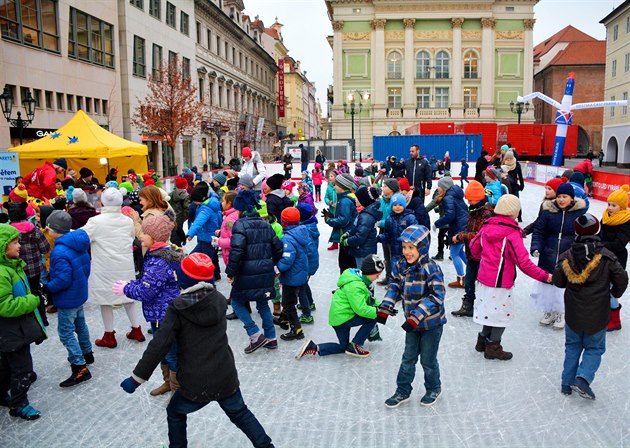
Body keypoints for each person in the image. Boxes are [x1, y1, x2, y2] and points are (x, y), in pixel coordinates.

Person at [120, 253, 275, 448]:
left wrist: (137, 378)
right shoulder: (219, 299)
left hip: (195, 382)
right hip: (224, 375)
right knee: (241, 413)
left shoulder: (177, 309)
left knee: (175, 412)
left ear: (183, 279)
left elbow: (159, 344)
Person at [553, 213, 628, 400]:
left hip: (573, 313)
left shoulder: (566, 256)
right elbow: (622, 277)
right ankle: (583, 378)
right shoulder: (607, 257)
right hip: (597, 313)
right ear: (598, 231)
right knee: (594, 348)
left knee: (572, 346)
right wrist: (615, 293)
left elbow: (558, 280)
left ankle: (566, 383)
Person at [470, 195, 552, 360]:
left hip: (485, 280)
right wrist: (545, 276)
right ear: (515, 213)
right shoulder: (511, 234)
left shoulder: (486, 226)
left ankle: (482, 340)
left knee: (489, 312)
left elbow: (473, 249)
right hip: (500, 283)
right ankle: (493, 346)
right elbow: (524, 263)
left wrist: (486, 259)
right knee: (500, 315)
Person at [114, 215, 184, 396]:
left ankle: (177, 391)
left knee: (170, 352)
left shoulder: (158, 261)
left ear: (155, 237)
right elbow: (148, 283)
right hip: (160, 312)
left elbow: (147, 291)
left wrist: (126, 288)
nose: (141, 236)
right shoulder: (157, 256)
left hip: (163, 314)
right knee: (164, 350)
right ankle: (168, 383)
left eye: (145, 233)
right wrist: (132, 284)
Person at [378, 225, 445, 408]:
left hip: (431, 324)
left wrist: (417, 314)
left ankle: (434, 388)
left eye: (411, 248)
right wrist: (386, 305)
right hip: (412, 324)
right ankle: (402, 391)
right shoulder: (400, 265)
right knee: (408, 358)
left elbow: (437, 296)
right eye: (404, 247)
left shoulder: (431, 268)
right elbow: (395, 286)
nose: (407, 252)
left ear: (422, 248)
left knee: (428, 360)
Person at [82, 188, 144, 348]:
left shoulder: (95, 222)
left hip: (104, 266)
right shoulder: (127, 221)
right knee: (127, 295)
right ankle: (137, 329)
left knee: (105, 299)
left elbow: (82, 237)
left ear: (102, 201)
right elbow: (131, 237)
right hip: (124, 264)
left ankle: (109, 335)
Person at [226, 190, 283, 352]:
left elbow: (237, 250)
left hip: (245, 272)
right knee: (262, 303)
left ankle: (255, 334)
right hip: (265, 272)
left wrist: (231, 272)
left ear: (241, 209)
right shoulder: (266, 225)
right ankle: (271, 338)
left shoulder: (240, 225)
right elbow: (278, 248)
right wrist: (274, 264)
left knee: (236, 302)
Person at [296, 255, 384, 359]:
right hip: (344, 318)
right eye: (377, 275)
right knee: (375, 316)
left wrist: (383, 306)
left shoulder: (359, 277)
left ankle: (314, 347)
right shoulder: (356, 286)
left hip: (339, 317)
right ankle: (356, 344)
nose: (378, 278)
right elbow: (361, 310)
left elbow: (369, 298)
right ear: (369, 272)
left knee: (343, 347)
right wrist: (379, 311)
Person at [0, 224, 47, 420]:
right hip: (12, 331)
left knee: (6, 365)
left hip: (13, 330)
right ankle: (19, 404)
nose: (19, 246)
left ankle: (3, 392)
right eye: (15, 242)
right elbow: (5, 305)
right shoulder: (3, 273)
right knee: (22, 367)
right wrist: (34, 299)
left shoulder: (12, 265)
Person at [44, 211, 93, 388]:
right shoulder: (78, 244)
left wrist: (48, 287)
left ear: (54, 230)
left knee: (66, 333)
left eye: (48, 228)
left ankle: (80, 367)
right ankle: (87, 353)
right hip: (79, 293)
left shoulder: (59, 251)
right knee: (80, 325)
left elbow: (63, 279)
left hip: (67, 298)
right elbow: (86, 268)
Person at [531, 183, 586, 329]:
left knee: (563, 287)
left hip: (568, 256)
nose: (561, 200)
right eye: (559, 196)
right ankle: (549, 311)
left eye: (565, 197)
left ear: (572, 199)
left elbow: (584, 234)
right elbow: (538, 231)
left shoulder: (578, 214)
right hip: (548, 254)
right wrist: (536, 247)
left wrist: (579, 252)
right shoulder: (548, 212)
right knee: (548, 286)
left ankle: (562, 312)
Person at [450, 181, 495, 317]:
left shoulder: (486, 213)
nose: (469, 202)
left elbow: (482, 234)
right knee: (469, 281)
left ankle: (484, 306)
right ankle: (469, 305)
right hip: (472, 253)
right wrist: (460, 234)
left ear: (479, 197)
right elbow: (470, 228)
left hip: (482, 255)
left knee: (482, 283)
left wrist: (462, 237)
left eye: (471, 199)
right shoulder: (474, 210)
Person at [6, 202, 51, 326]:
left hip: (17, 272)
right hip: (35, 269)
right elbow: (45, 248)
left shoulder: (8, 232)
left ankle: (29, 324)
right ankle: (43, 320)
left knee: (21, 296)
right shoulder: (34, 229)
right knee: (36, 292)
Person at [276, 207, 312, 341]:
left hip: (292, 277)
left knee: (289, 303)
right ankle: (284, 319)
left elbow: (287, 260)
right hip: (301, 273)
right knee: (288, 299)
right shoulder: (302, 232)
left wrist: (276, 269)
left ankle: (297, 329)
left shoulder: (288, 239)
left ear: (283, 222)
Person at [600, 184, 630, 331]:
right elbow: (599, 234)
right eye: (609, 204)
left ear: (622, 207)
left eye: (613, 205)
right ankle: (605, 315)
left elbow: (619, 244)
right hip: (603, 257)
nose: (610, 207)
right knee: (603, 287)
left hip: (617, 259)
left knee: (611, 289)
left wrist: (600, 245)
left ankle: (615, 320)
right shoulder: (605, 217)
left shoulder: (626, 221)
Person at [433, 176, 468, 288]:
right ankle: (476, 271)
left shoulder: (448, 197)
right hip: (464, 224)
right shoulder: (455, 194)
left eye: (439, 186)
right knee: (460, 251)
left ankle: (461, 280)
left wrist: (437, 223)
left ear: (444, 187)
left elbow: (450, 215)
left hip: (459, 227)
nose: (438, 188)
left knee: (454, 253)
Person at [186, 183, 223, 281]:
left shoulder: (205, 209)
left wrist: (190, 234)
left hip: (208, 239)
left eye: (194, 201)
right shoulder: (211, 204)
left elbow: (198, 222)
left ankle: (210, 280)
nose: (194, 203)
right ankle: (216, 276)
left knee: (205, 261)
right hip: (208, 238)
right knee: (211, 258)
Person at [325, 173, 358, 273]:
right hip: (347, 235)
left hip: (346, 235)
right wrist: (333, 216)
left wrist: (329, 221)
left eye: (336, 185)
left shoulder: (345, 201)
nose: (334, 187)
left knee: (345, 264)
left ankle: (347, 286)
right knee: (346, 263)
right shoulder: (346, 198)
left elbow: (343, 220)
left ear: (342, 187)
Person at [343, 187, 382, 269]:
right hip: (362, 250)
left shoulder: (366, 217)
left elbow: (360, 237)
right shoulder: (364, 213)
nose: (355, 200)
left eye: (357, 198)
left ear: (363, 200)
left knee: (362, 274)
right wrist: (348, 233)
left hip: (363, 251)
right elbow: (357, 227)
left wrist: (347, 241)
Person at [378, 193, 418, 271]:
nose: (397, 207)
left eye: (400, 205)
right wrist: (379, 238)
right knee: (395, 271)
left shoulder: (410, 218)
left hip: (407, 252)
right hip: (394, 253)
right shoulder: (389, 219)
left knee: (408, 272)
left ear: (404, 205)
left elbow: (416, 234)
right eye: (395, 205)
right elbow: (387, 234)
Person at [296, 203, 320, 324]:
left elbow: (309, 249)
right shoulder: (311, 225)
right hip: (310, 262)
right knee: (304, 285)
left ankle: (307, 315)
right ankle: (310, 303)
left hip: (306, 263)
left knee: (301, 288)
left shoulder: (305, 229)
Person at [377, 179, 399, 285]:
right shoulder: (383, 199)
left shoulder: (395, 201)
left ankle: (394, 279)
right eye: (383, 186)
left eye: (386, 186)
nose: (383, 188)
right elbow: (380, 212)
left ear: (392, 189)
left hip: (392, 230)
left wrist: (380, 223)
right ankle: (388, 275)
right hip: (383, 230)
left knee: (393, 255)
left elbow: (394, 218)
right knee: (386, 255)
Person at [216, 191, 239, 266]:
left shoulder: (230, 218)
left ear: (229, 203)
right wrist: (221, 232)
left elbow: (234, 240)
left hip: (232, 256)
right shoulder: (236, 214)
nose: (222, 203)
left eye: (223, 201)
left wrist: (218, 241)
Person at [170, 178, 191, 246]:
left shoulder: (171, 194)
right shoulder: (186, 196)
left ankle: (177, 243)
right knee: (179, 230)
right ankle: (181, 242)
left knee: (175, 232)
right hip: (181, 217)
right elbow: (187, 208)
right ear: (186, 185)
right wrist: (185, 218)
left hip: (172, 217)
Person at [324, 170, 339, 250]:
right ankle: (335, 243)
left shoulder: (339, 186)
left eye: (331, 176)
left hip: (339, 209)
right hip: (332, 210)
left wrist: (337, 203)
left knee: (339, 226)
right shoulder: (329, 187)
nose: (329, 178)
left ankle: (337, 241)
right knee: (334, 226)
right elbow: (326, 197)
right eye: (329, 176)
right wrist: (329, 202)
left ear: (335, 177)